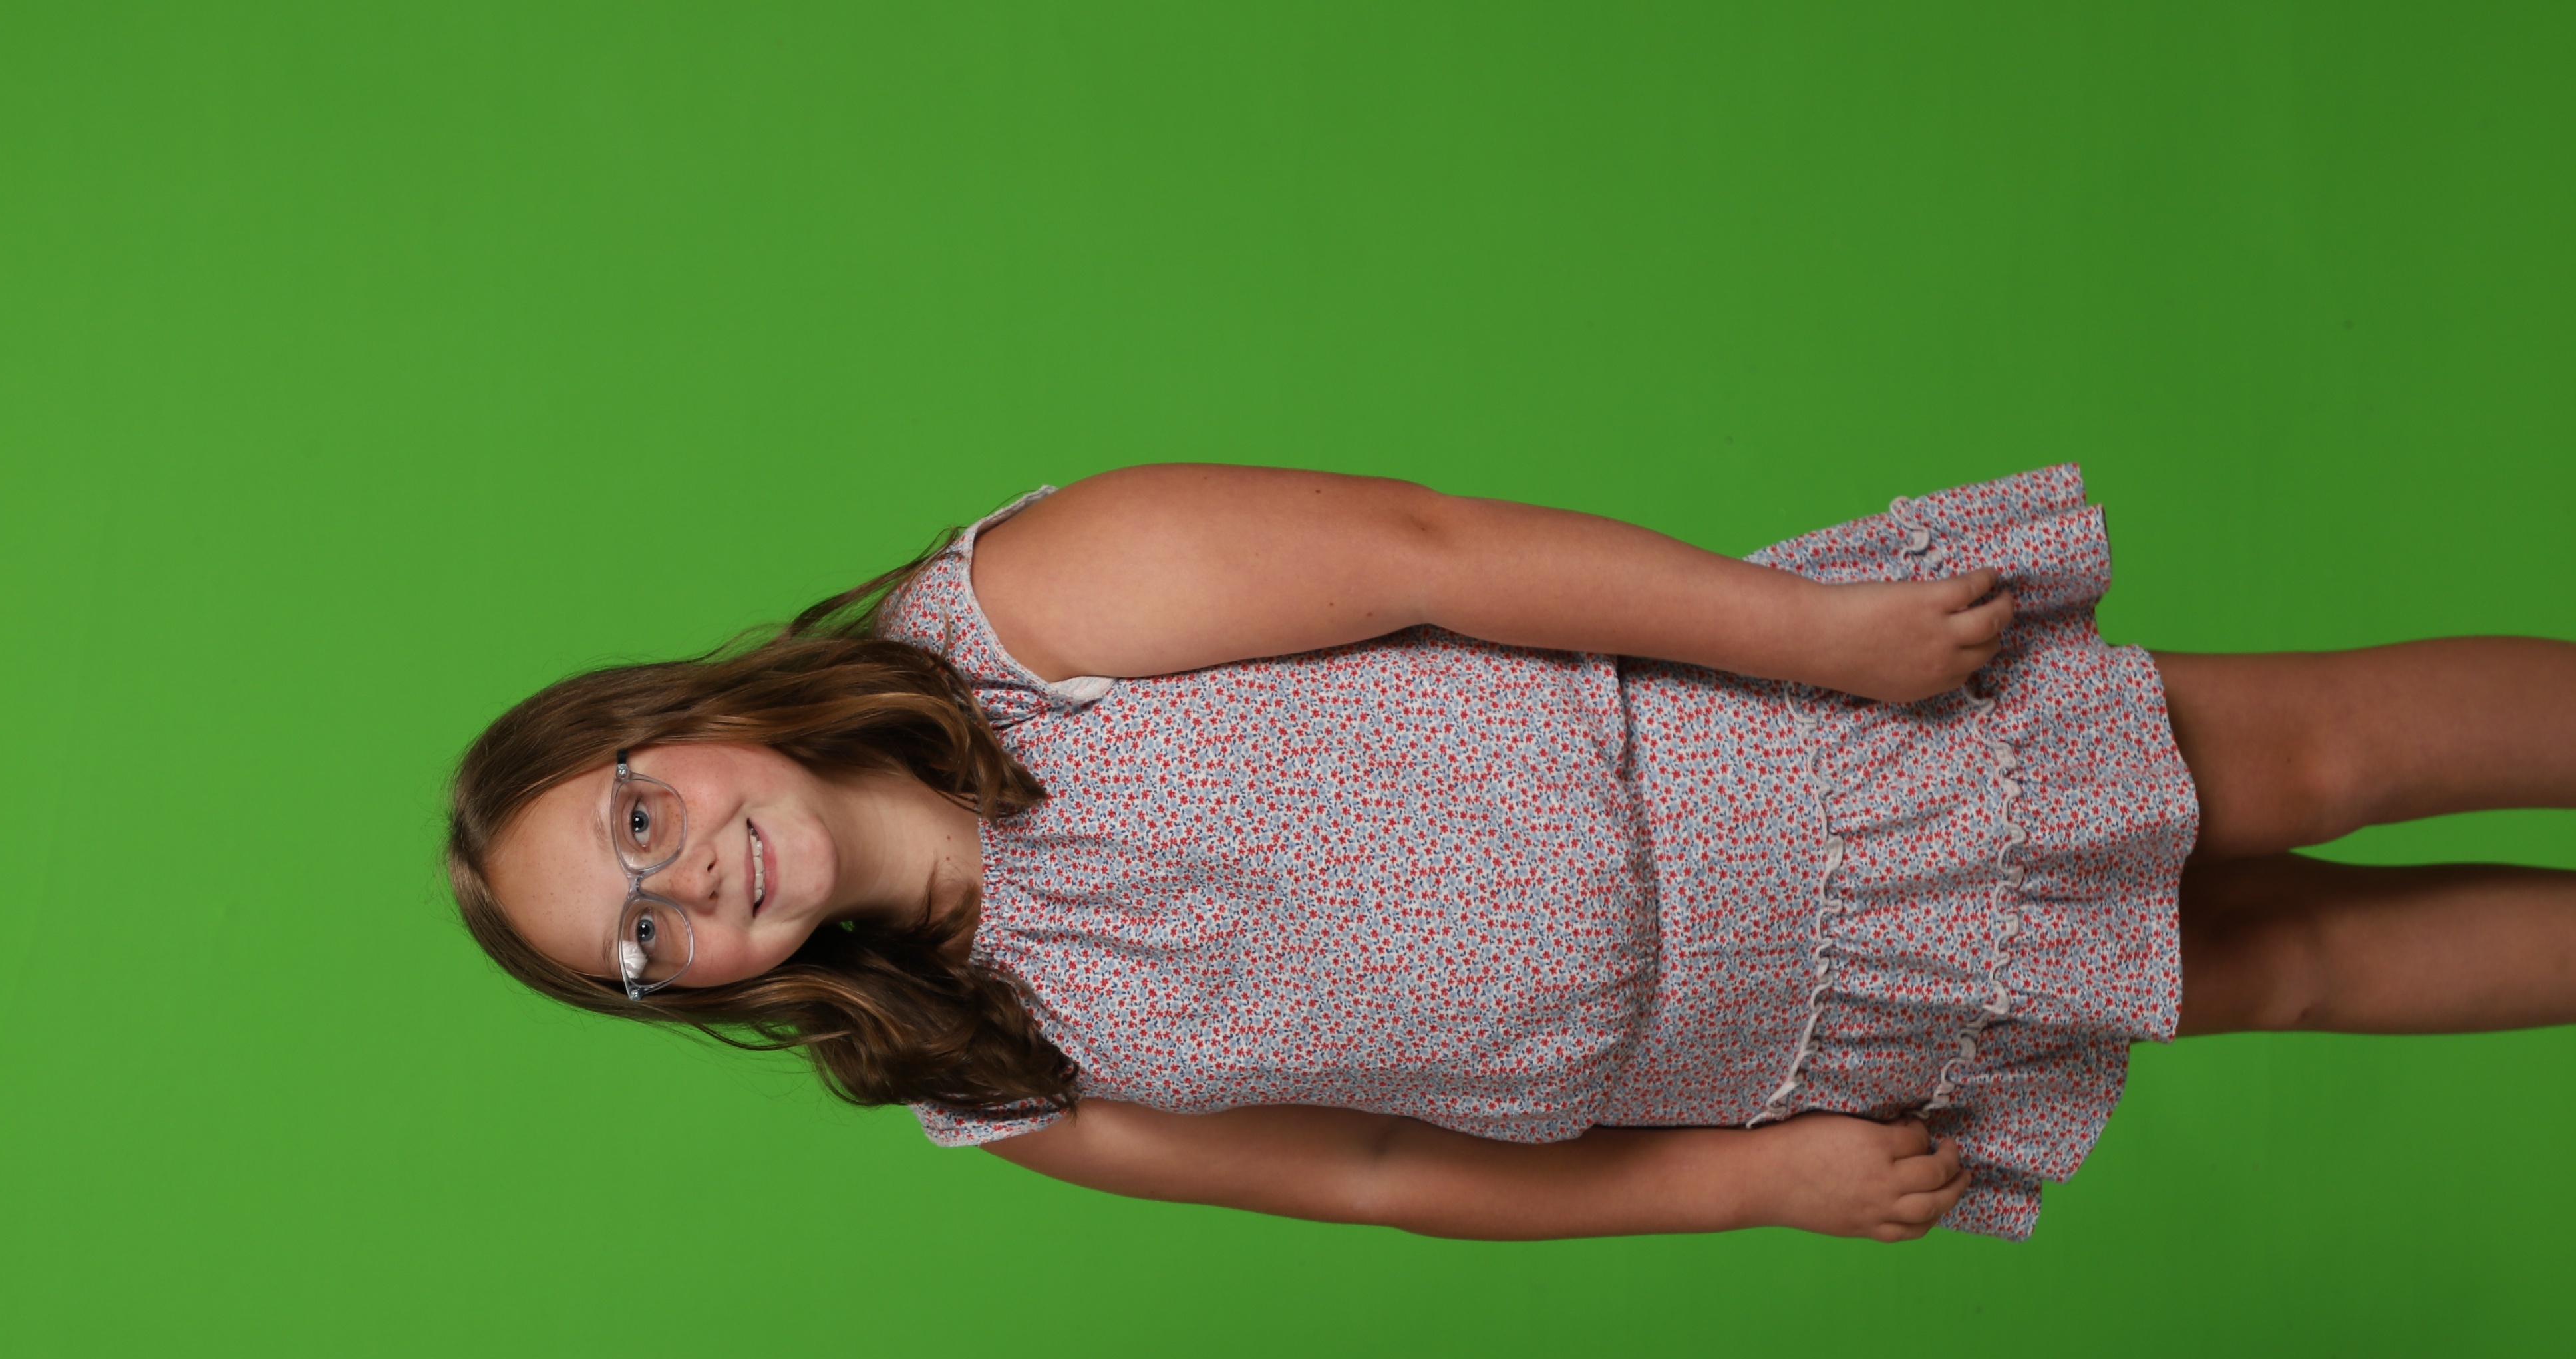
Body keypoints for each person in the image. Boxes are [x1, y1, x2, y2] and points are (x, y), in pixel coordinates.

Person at [446, 465, 2576, 1243]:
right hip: (1784, 1024)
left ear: (669, 722)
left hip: (1793, 765)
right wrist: (1746, 1182)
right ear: (687, 995)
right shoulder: (992, 1080)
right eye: (639, 942)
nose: (688, 883)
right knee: (2278, 968)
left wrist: (1812, 636)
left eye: (638, 819)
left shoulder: (1019, 620)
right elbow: (1379, 1173)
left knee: (2304, 760)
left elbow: (1426, 554)